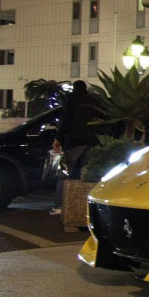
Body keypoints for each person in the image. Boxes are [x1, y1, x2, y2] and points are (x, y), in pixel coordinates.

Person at [49, 80, 101, 216]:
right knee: (88, 176)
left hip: (74, 141)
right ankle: (86, 206)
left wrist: (58, 138)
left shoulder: (71, 98)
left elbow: (66, 118)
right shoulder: (94, 99)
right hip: (92, 141)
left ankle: (59, 205)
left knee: (65, 174)